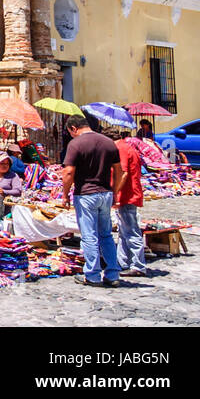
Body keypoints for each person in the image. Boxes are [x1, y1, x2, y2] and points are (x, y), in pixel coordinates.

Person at [62, 115, 123, 287]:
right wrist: (115, 192)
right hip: (105, 193)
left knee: (89, 236)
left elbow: (68, 173)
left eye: (70, 132)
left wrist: (65, 194)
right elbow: (119, 171)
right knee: (106, 235)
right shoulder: (108, 142)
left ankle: (93, 274)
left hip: (86, 194)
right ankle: (112, 273)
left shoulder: (75, 144)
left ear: (74, 128)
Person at [114, 128, 147, 278]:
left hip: (127, 194)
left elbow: (124, 172)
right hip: (129, 193)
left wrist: (116, 193)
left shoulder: (120, 149)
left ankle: (138, 265)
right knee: (124, 231)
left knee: (131, 231)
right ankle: (122, 262)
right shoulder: (128, 147)